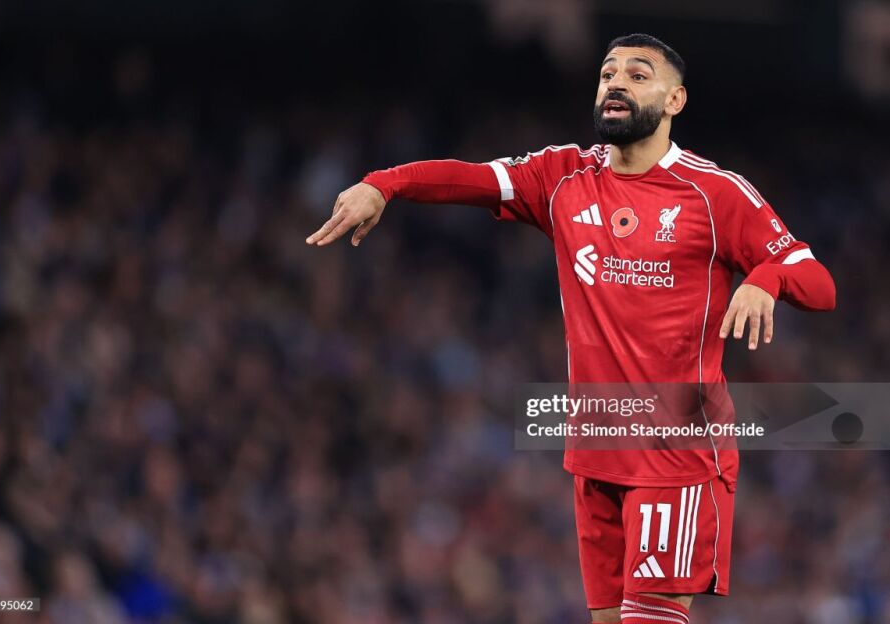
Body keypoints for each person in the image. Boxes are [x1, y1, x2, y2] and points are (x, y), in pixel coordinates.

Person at [306, 33, 836, 624]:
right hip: (596, 448)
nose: (616, 83)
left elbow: (819, 284)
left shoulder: (715, 193)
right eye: (608, 73)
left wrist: (766, 278)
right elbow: (471, 179)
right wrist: (383, 183)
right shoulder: (563, 175)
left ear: (675, 100)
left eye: (638, 75)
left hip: (678, 454)